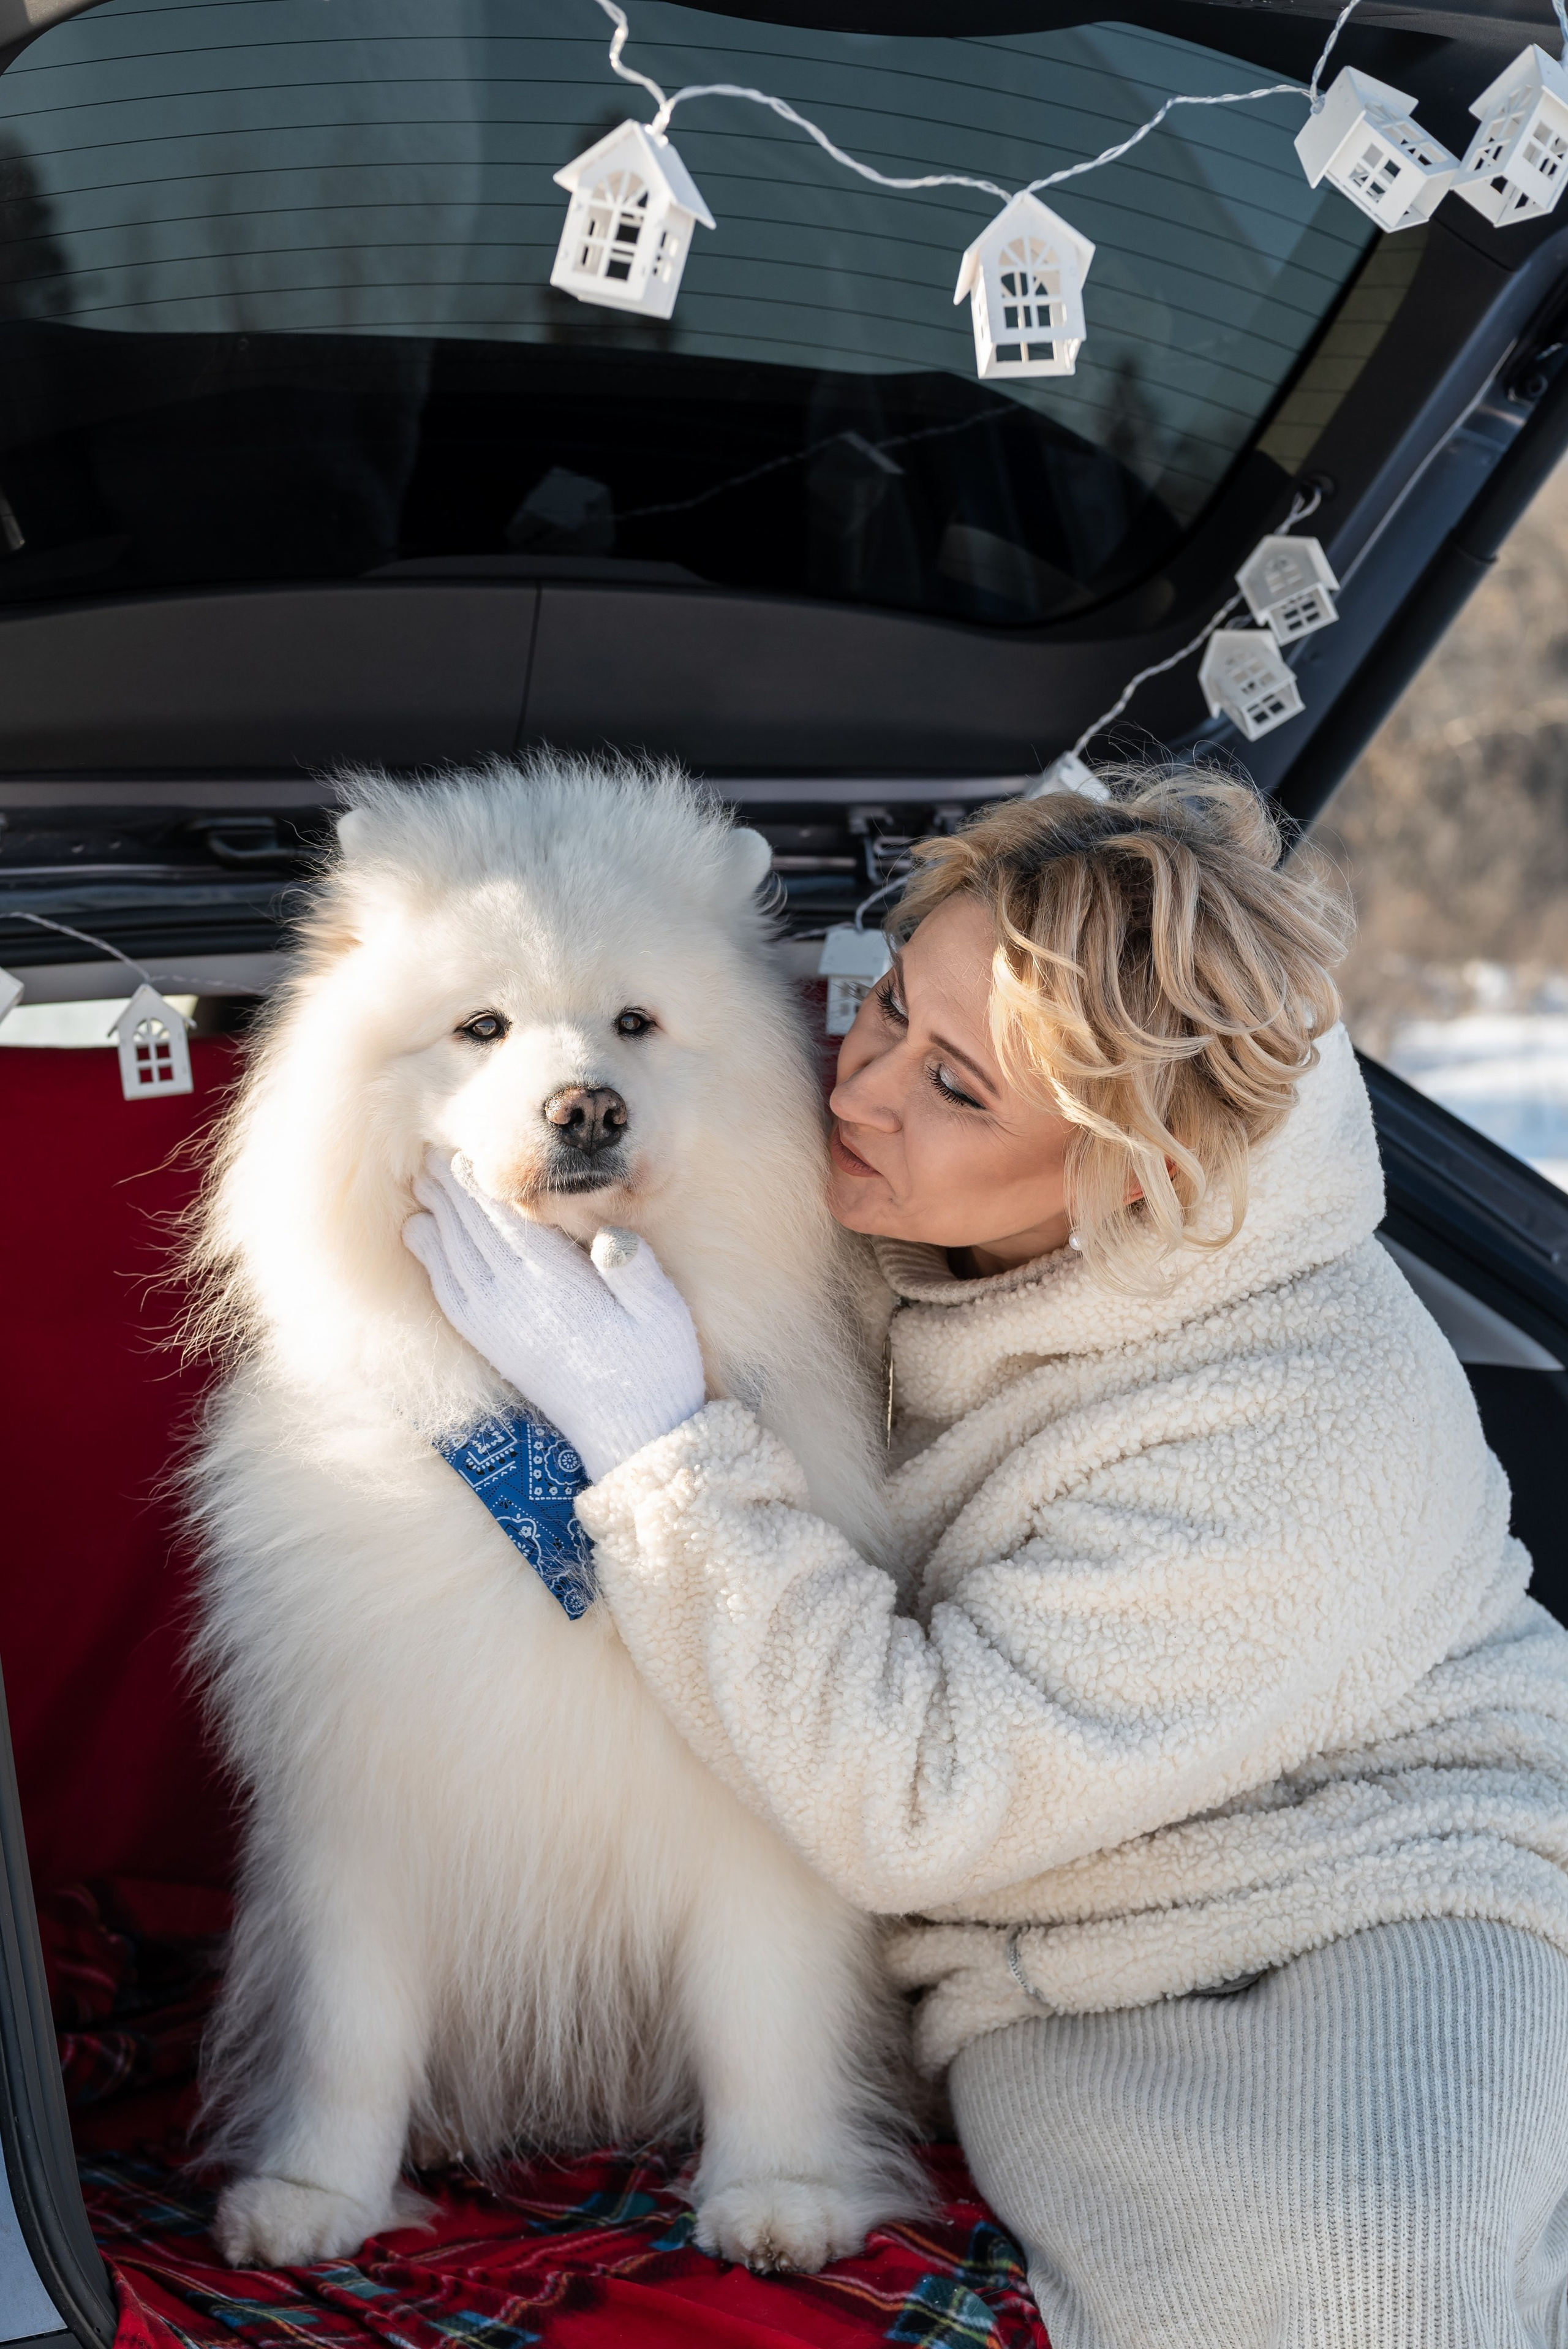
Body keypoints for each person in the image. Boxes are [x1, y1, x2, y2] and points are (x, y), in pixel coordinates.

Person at [404, 773, 1568, 2348]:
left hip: (1388, 1882)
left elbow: (918, 1805)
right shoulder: (898, 1209)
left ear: (1130, 1176)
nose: (863, 1090)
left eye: (954, 1086)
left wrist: (660, 1452)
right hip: (1046, 1950)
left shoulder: (1298, 1414)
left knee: (1368, 2279)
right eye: (885, 1004)